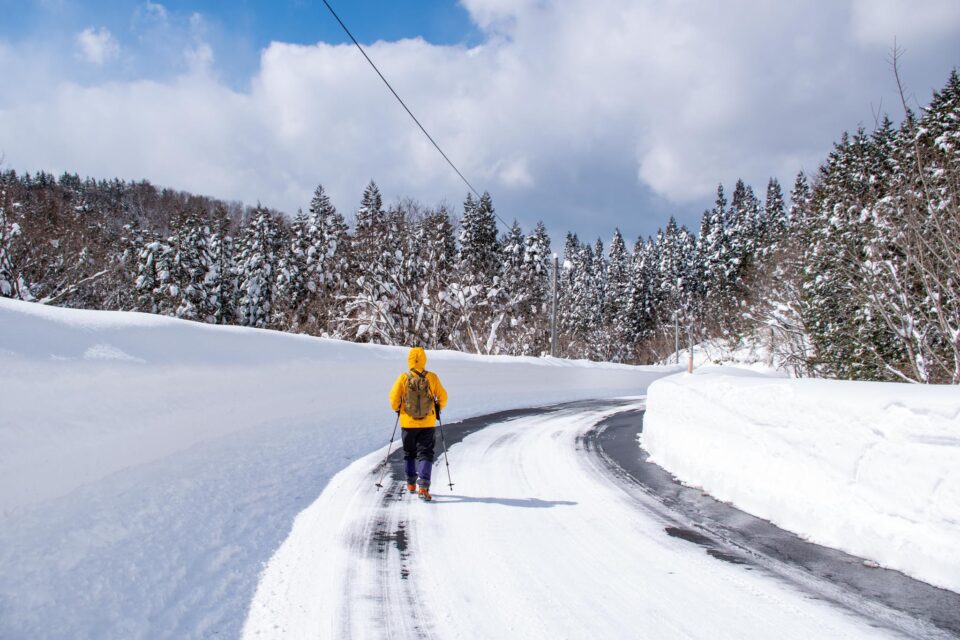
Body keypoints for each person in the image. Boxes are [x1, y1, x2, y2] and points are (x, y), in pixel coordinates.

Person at [388, 346, 448, 501]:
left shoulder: (403, 377)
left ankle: (410, 484)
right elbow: (443, 397)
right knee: (426, 453)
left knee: (409, 453)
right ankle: (424, 487)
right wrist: (437, 407)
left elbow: (393, 398)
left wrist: (398, 409)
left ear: (409, 360)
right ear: (424, 360)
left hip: (407, 423)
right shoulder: (432, 378)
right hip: (427, 423)